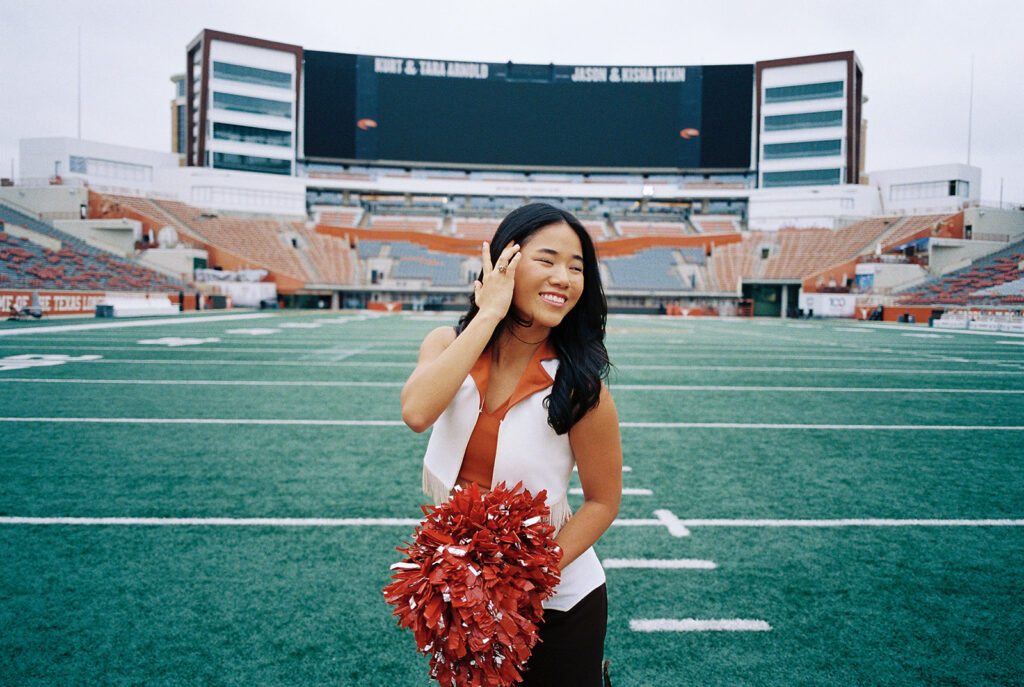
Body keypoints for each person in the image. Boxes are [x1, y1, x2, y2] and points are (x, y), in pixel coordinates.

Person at [401, 202, 622, 686]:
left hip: (561, 601)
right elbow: (416, 412)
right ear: (505, 262)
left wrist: (525, 582)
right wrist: (490, 313)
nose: (563, 277)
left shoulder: (582, 385)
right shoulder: (446, 344)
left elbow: (603, 502)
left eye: (577, 267)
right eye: (547, 260)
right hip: (464, 593)